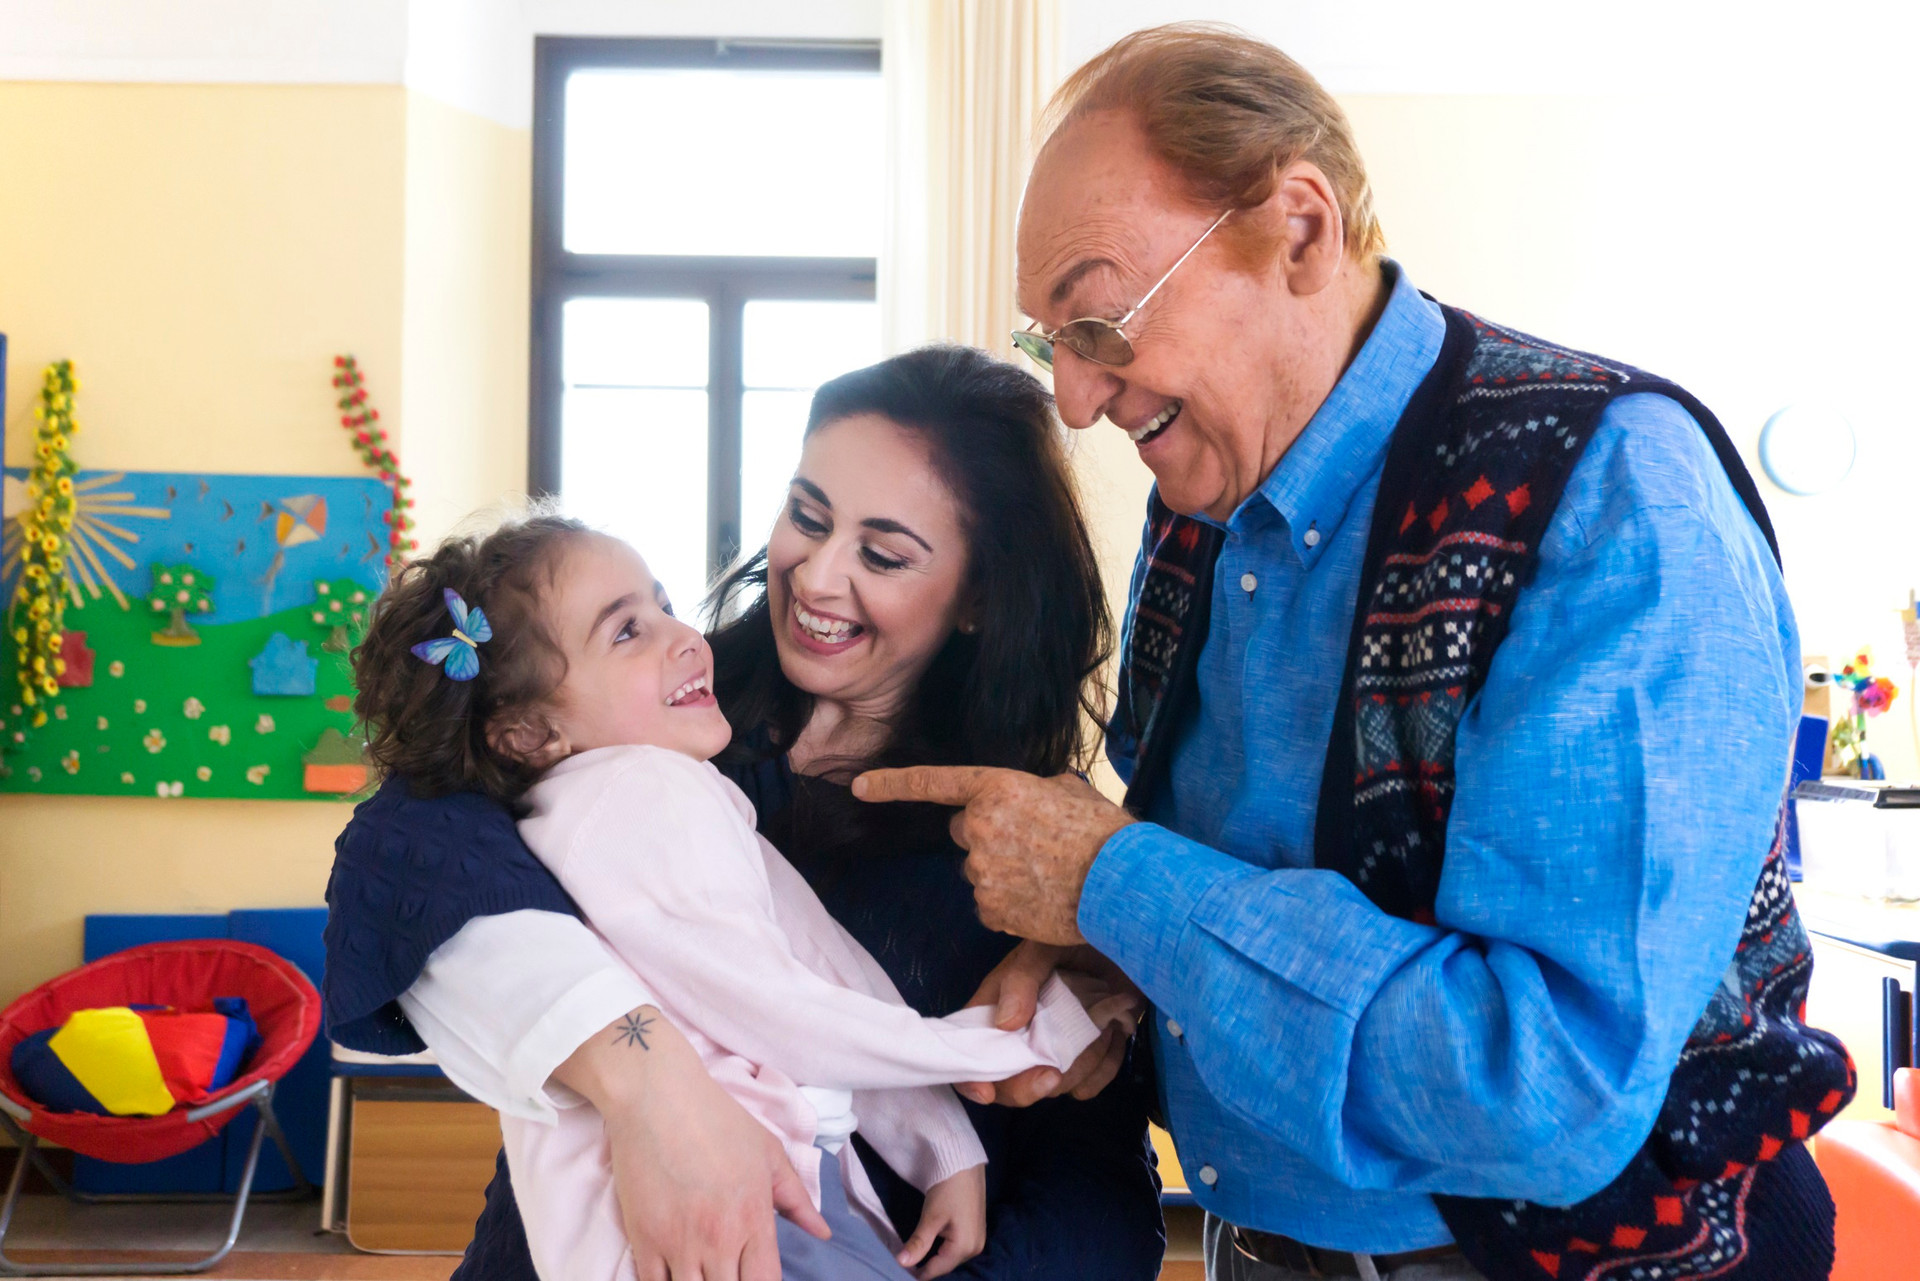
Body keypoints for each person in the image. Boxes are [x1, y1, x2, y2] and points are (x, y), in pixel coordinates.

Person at [854, 24, 1854, 1281]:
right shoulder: (1200, 512)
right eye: (1051, 343)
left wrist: (1118, 887)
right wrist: (1122, 977)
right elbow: (1272, 893)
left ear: (1303, 231)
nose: (1076, 400)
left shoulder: (1611, 497)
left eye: (1100, 318)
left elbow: (1549, 1089)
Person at [323, 345, 1166, 1281]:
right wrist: (651, 1085)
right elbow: (403, 854)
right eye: (807, 515)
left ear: (977, 596)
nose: (814, 576)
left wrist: (1102, 989)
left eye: (882, 554)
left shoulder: (1025, 836)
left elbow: (1093, 1180)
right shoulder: (641, 727)